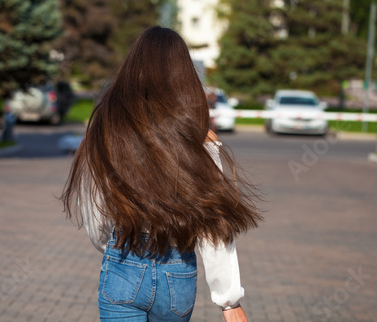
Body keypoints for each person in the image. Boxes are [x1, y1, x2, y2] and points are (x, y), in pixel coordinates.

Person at [61, 26, 263, 322]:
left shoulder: (109, 129)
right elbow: (214, 224)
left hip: (124, 261)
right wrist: (229, 301)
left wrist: (113, 247)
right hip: (177, 272)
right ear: (184, 77)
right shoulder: (198, 138)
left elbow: (96, 203)